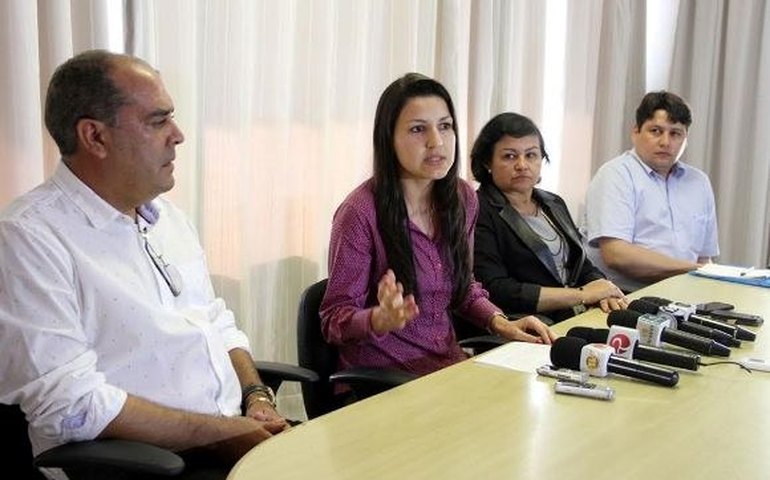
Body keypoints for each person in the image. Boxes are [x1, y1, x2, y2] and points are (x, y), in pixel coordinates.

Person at [0, 50, 288, 480]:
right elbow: (70, 405)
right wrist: (220, 434)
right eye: (158, 121)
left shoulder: (168, 219)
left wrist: (256, 396)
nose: (178, 135)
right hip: (144, 465)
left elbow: (215, 322)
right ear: (95, 137)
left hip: (230, 436)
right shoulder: (29, 236)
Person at [319, 73, 556, 380]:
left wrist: (500, 322)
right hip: (381, 381)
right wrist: (379, 319)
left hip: (445, 368)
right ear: (388, 139)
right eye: (418, 129)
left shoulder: (462, 198)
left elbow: (463, 288)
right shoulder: (359, 212)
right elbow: (333, 320)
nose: (437, 141)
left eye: (445, 126)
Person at [471, 112, 626, 324]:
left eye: (531, 155)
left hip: (577, 314)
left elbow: (581, 264)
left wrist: (602, 287)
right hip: (527, 324)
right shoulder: (477, 209)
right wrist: (581, 295)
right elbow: (496, 289)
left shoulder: (553, 203)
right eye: (510, 156)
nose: (522, 165)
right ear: (487, 162)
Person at [583, 91, 719, 292]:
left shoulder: (699, 182)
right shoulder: (616, 174)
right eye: (656, 131)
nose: (665, 142)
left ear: (685, 139)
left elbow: (704, 258)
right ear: (635, 132)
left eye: (675, 134)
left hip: (685, 295)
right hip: (622, 297)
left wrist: (702, 275)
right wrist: (691, 269)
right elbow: (616, 254)